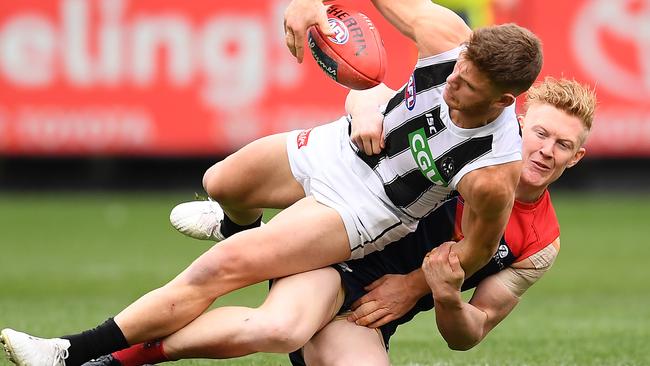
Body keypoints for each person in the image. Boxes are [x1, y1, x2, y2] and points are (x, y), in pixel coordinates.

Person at [0, 1, 542, 365]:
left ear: (501, 101)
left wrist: (426, 285)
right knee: (220, 180)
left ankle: (67, 353)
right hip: (342, 147)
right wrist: (309, 5)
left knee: (219, 271)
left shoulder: (493, 171)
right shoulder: (449, 38)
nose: (452, 81)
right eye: (457, 70)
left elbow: (472, 250)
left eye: (467, 86)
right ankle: (239, 226)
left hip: (361, 208)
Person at [66, 76, 596, 366]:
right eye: (541, 133)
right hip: (328, 252)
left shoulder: (541, 244)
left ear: (576, 158)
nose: (546, 150)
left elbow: (468, 335)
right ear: (519, 123)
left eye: (563, 145)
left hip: (362, 316)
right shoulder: (475, 148)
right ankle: (120, 356)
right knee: (276, 324)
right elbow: (376, 90)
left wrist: (442, 294)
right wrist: (364, 108)